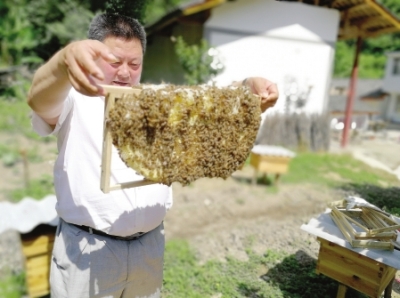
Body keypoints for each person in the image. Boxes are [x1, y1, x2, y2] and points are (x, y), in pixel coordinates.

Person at [27, 13, 279, 298]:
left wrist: (248, 88)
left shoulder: (157, 100)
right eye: (114, 63)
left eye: (134, 64)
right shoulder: (73, 97)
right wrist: (62, 63)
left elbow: (212, 106)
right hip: (89, 251)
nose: (125, 73)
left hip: (149, 246)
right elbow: (39, 98)